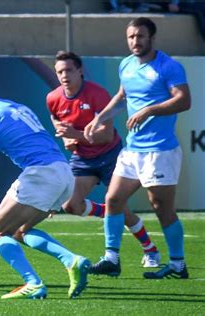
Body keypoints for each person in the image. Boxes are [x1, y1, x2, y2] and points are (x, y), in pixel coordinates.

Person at [0, 70, 91, 300]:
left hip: (41, 173)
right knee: (20, 231)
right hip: (64, 172)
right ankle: (72, 260)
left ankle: (33, 283)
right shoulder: (16, 106)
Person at [85, 17, 191, 279]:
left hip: (160, 151)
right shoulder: (127, 64)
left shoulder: (168, 67)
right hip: (133, 150)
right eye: (131, 36)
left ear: (152, 38)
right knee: (113, 199)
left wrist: (148, 111)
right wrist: (100, 117)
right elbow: (123, 96)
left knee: (161, 207)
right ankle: (111, 258)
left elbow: (184, 100)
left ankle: (178, 265)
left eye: (140, 36)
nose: (135, 41)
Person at [46, 50, 161, 269]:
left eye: (69, 70)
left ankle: (150, 250)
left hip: (110, 155)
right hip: (83, 158)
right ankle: (112, 212)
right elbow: (58, 123)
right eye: (59, 71)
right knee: (70, 205)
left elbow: (106, 136)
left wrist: (76, 136)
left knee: (117, 205)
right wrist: (66, 140)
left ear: (80, 71)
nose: (64, 75)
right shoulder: (53, 98)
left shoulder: (97, 94)